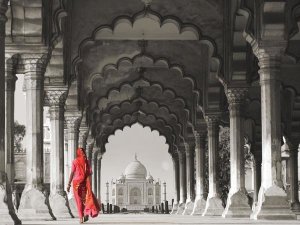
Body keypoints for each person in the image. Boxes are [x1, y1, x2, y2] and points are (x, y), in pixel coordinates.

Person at [67, 147, 101, 223]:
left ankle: (81, 217)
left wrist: (68, 184)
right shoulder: (86, 162)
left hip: (76, 183)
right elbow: (89, 173)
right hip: (84, 183)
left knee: (79, 201)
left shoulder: (75, 161)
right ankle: (86, 214)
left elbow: (72, 173)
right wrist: (89, 184)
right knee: (85, 199)